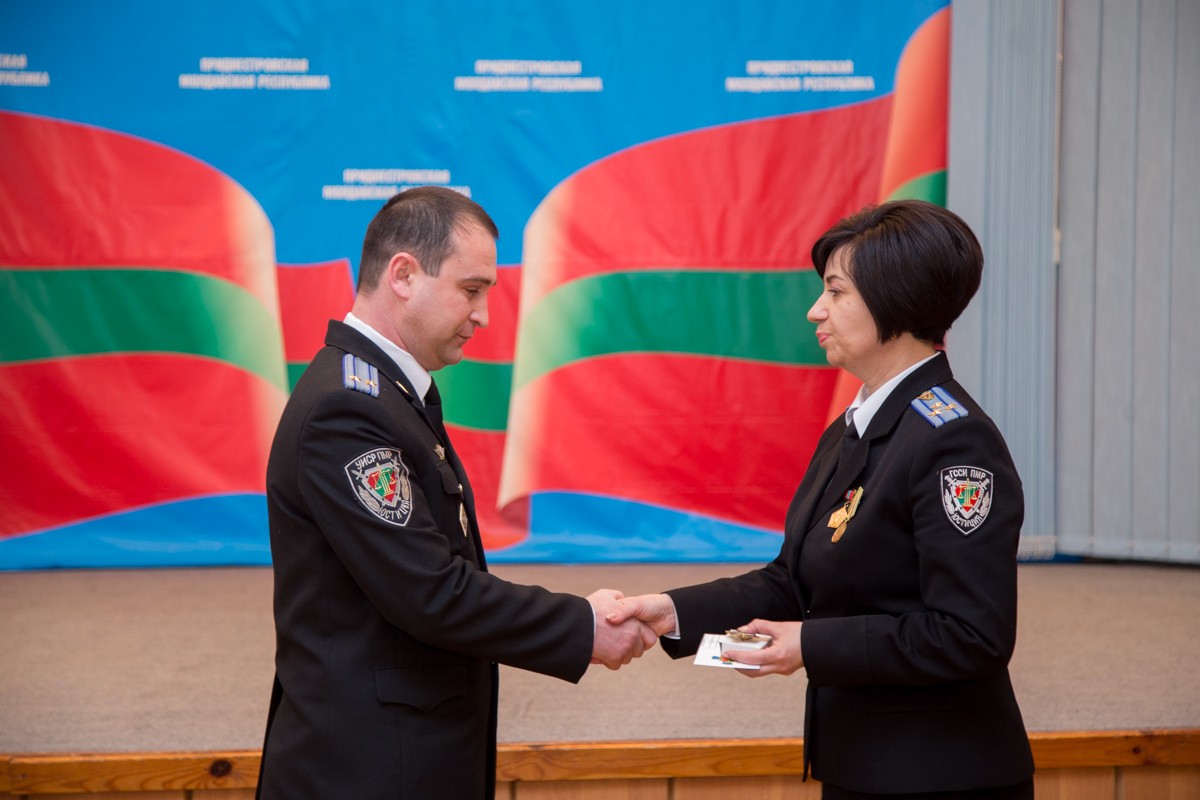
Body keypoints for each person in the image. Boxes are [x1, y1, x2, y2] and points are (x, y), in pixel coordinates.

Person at [610, 200, 1035, 799]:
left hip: (938, 776)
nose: (816, 309)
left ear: (897, 299)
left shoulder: (953, 441)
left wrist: (808, 644)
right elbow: (794, 581)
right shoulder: (855, 426)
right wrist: (670, 611)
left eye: (836, 291)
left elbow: (971, 635)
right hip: (860, 763)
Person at [256, 186, 654, 800]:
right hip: (367, 768)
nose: (483, 315)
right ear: (403, 275)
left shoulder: (384, 393)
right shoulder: (348, 408)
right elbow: (430, 592)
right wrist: (581, 625)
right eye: (471, 289)